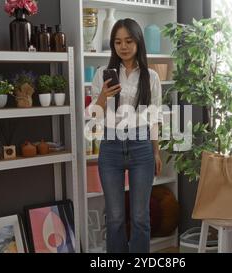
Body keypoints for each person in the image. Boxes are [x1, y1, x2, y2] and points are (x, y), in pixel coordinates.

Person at [89, 18, 163, 253]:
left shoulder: (150, 77)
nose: (123, 46)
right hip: (110, 146)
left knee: (141, 217)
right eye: (118, 42)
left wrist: (156, 151)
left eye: (128, 41)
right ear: (113, 45)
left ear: (138, 42)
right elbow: (95, 118)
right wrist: (102, 95)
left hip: (142, 146)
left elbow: (154, 118)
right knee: (115, 217)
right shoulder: (103, 73)